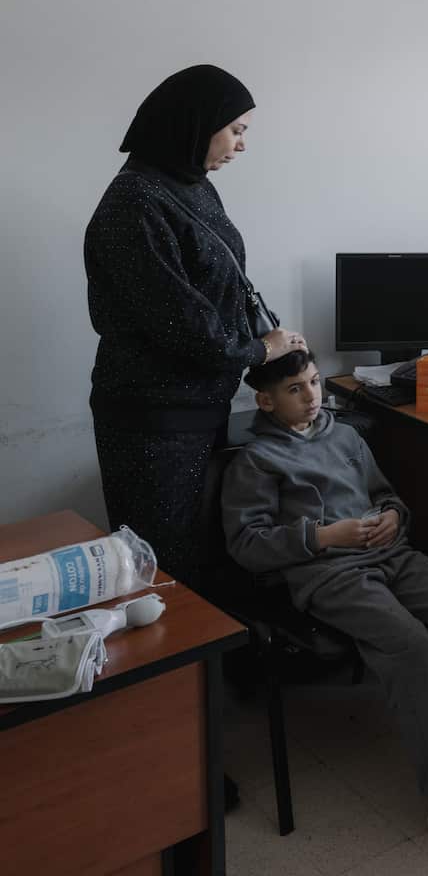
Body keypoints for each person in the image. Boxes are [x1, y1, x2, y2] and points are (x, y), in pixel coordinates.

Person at [221, 350, 428, 866]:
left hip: (391, 555)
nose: (312, 396)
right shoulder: (256, 461)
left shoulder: (346, 437)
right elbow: (246, 544)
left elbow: (387, 497)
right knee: (410, 644)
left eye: (314, 383)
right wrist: (321, 536)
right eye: (296, 389)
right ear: (264, 400)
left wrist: (392, 517)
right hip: (328, 573)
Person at [84, 64, 307, 590]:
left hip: (196, 405)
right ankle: (174, 672)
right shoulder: (134, 204)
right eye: (237, 129)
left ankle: (206, 671)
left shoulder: (189, 186)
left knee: (197, 553)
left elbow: (223, 282)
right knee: (162, 564)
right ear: (194, 124)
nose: (242, 144)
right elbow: (184, 326)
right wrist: (259, 349)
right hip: (154, 418)